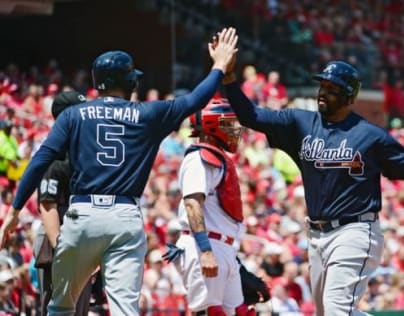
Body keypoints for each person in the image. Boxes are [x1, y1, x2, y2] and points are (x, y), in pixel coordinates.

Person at [0, 27, 238, 316]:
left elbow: (39, 161)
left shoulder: (74, 115)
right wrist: (218, 67)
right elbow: (195, 100)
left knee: (61, 307)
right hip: (124, 218)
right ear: (129, 82)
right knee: (125, 310)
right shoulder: (148, 114)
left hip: (82, 217)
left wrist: (13, 211)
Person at [221, 59, 404, 315]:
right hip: (317, 235)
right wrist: (229, 76)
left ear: (349, 96)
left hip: (355, 230)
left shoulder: (370, 136)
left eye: (332, 88)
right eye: (322, 85)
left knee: (336, 311)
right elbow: (250, 115)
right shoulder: (299, 123)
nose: (323, 92)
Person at [170, 98, 254, 315]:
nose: (235, 129)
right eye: (229, 123)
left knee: (241, 312)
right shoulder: (200, 157)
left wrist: (234, 261)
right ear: (212, 125)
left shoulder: (217, 157)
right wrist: (206, 249)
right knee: (210, 312)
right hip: (204, 246)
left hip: (222, 247)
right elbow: (192, 204)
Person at [33, 90, 93, 315]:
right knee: (58, 309)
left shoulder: (82, 152)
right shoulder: (56, 154)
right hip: (57, 237)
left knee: (80, 309)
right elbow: (48, 205)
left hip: (81, 241)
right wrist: (62, 249)